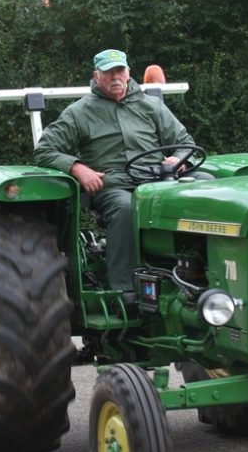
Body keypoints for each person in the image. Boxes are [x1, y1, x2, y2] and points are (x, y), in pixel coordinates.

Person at [34, 49, 195, 295]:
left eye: (119, 70)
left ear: (128, 73)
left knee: (205, 187)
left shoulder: (151, 106)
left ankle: (200, 275)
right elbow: (45, 151)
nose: (115, 77)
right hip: (113, 187)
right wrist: (78, 168)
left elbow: (185, 144)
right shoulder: (79, 112)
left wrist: (181, 160)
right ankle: (126, 290)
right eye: (108, 72)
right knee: (126, 207)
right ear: (96, 76)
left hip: (159, 180)